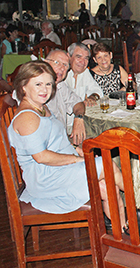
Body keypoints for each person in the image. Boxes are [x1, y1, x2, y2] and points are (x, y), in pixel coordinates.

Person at [8, 61, 126, 228]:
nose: (44, 90)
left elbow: (54, 141)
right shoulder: (27, 117)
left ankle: (123, 231)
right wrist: (77, 159)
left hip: (57, 170)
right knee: (106, 164)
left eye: (48, 84)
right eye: (38, 84)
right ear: (24, 87)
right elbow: (41, 157)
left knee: (107, 186)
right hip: (45, 178)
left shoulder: (41, 107)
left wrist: (76, 150)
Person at [44, 50, 87, 145]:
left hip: (63, 141)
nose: (62, 68)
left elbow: (78, 102)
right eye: (57, 63)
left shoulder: (60, 85)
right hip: (51, 147)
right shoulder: (37, 91)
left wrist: (79, 118)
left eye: (65, 65)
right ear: (45, 63)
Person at [65, 42, 103, 107]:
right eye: (78, 57)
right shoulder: (62, 73)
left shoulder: (84, 72)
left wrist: (92, 97)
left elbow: (98, 91)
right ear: (69, 56)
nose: (82, 62)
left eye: (86, 58)